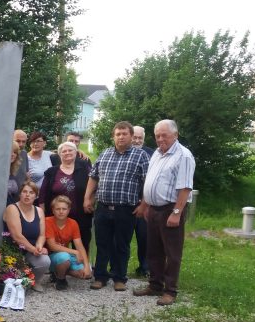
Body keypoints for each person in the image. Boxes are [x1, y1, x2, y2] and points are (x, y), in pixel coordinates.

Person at [133, 119, 195, 306]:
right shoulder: (157, 154)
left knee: (172, 253)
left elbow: (185, 187)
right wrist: (145, 205)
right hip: (154, 209)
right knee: (154, 251)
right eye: (157, 135)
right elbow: (150, 182)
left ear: (175, 135)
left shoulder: (183, 156)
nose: (160, 139)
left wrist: (176, 213)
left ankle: (170, 291)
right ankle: (155, 285)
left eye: (164, 135)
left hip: (170, 209)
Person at [83, 121, 149, 292]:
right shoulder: (105, 154)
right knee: (102, 243)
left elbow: (147, 182)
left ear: (131, 136)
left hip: (126, 209)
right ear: (113, 136)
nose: (121, 137)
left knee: (122, 244)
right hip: (103, 207)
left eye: (124, 134)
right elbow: (93, 177)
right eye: (118, 134)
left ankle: (120, 278)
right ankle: (100, 277)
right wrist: (87, 198)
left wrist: (144, 204)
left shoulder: (140, 156)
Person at [39, 141, 93, 254]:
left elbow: (94, 187)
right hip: (56, 215)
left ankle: (82, 267)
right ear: (59, 154)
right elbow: (43, 194)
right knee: (55, 244)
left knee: (82, 241)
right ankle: (58, 267)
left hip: (81, 214)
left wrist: (90, 201)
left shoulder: (84, 169)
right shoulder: (52, 172)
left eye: (70, 150)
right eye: (64, 151)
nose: (67, 153)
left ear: (76, 152)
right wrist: (42, 214)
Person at [2, 181, 51, 292]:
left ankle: (35, 281)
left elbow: (42, 235)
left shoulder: (39, 211)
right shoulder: (12, 208)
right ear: (20, 194)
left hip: (31, 250)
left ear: (36, 196)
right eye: (24, 192)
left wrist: (38, 246)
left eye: (31, 192)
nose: (27, 195)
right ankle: (23, 279)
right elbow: (17, 236)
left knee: (45, 261)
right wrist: (34, 249)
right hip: (13, 250)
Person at [45, 195, 92, 290]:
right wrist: (74, 252)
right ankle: (60, 279)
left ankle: (58, 272)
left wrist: (87, 266)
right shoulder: (47, 221)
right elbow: (53, 246)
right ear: (53, 210)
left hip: (66, 255)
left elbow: (79, 246)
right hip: (51, 256)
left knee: (85, 273)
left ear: (69, 210)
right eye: (58, 209)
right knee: (64, 257)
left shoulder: (73, 223)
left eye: (64, 209)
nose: (61, 211)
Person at [131, 125, 155, 277]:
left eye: (140, 138)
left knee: (144, 236)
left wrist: (146, 202)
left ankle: (145, 267)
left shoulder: (153, 154)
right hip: (125, 202)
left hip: (145, 202)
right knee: (120, 238)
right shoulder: (121, 152)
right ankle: (117, 267)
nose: (137, 140)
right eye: (135, 137)